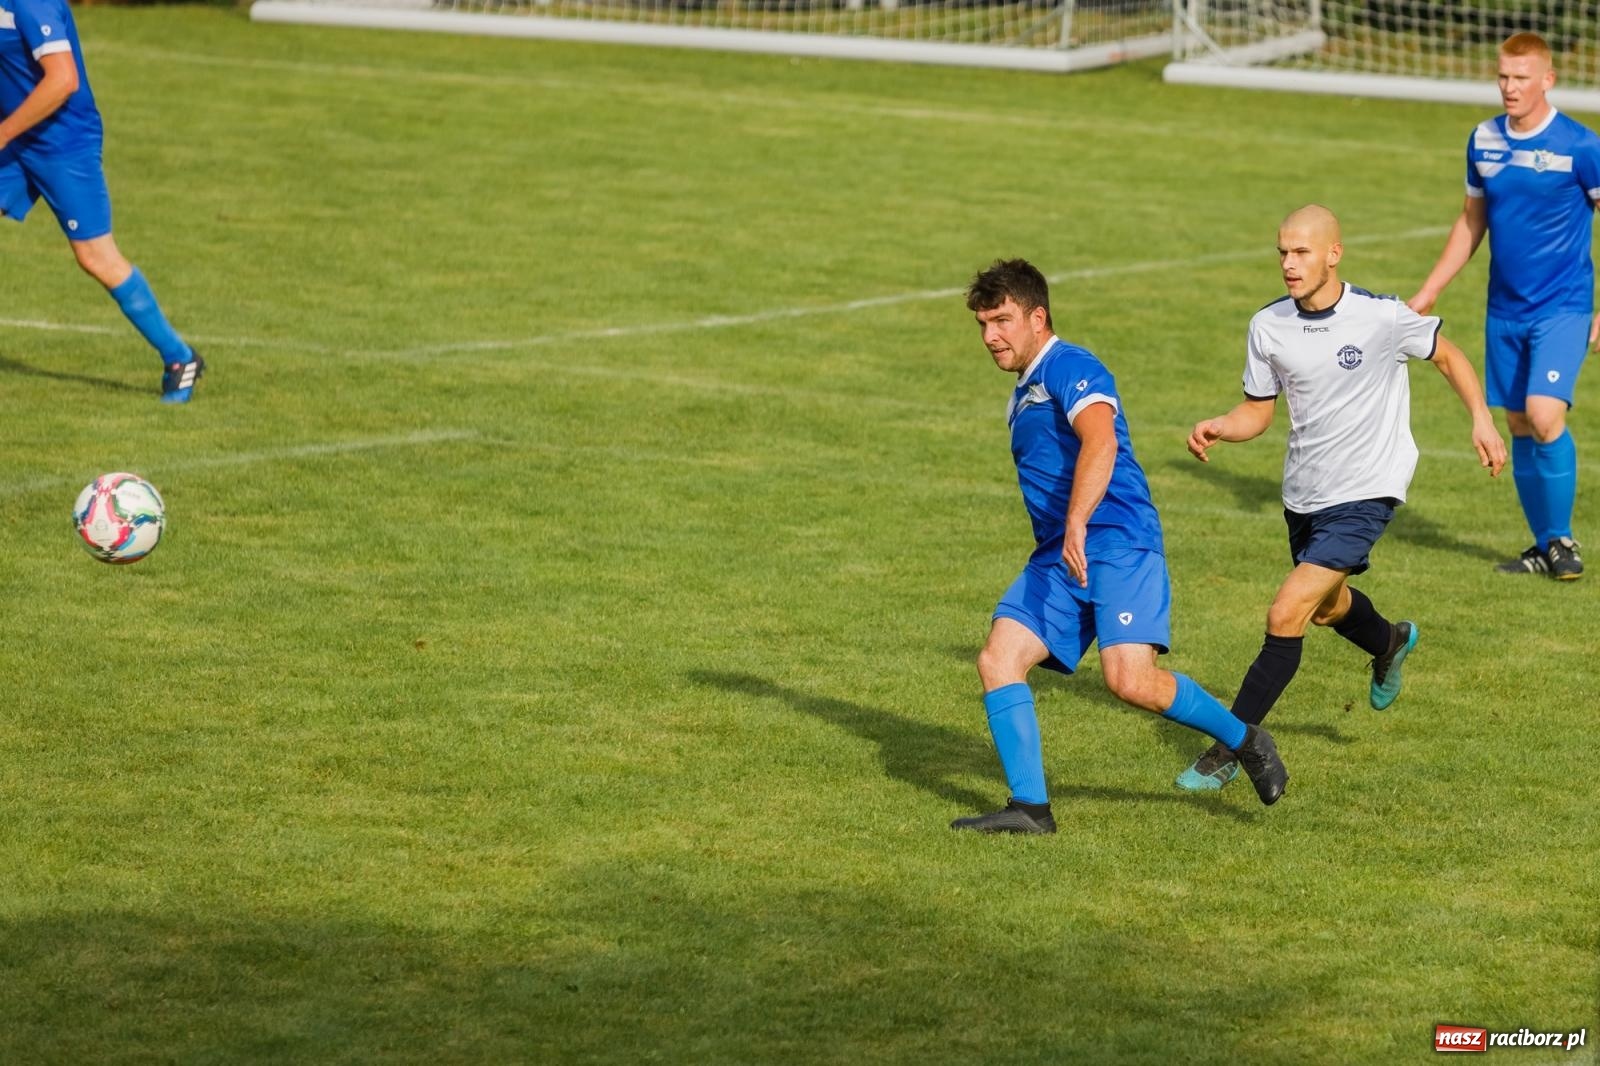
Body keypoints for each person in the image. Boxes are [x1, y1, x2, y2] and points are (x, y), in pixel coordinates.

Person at [951, 258, 1288, 836]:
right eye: (983, 325)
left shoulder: (1070, 366)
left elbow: (1101, 440)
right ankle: (1030, 809)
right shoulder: (1023, 390)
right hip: (1062, 553)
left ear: (1038, 317)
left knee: (1130, 680)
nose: (991, 337)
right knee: (998, 660)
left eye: (1002, 321)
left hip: (1117, 542)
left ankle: (1245, 739)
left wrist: (1079, 520)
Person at [1175, 206, 1506, 793]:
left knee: (1286, 613)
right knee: (1327, 607)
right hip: (1305, 494)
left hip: (1368, 490)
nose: (1288, 264)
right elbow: (1258, 409)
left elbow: (1448, 356)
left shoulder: (1380, 317)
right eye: (1282, 252)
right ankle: (1390, 641)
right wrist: (1222, 426)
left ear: (1333, 254)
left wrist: (1481, 419)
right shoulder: (1268, 326)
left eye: (1301, 252)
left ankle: (1233, 745)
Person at [1408, 32, 1600, 580]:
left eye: (1521, 78)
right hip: (1504, 309)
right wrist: (1430, 289)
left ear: (1548, 80)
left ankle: (1562, 538)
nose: (1510, 88)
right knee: (1517, 422)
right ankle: (1544, 548)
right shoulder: (1484, 140)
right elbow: (1473, 220)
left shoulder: (1581, 146)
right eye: (1503, 77)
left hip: (1563, 305)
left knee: (1543, 414)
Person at [0, 0, 203, 402]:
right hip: (19, 138)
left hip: (63, 145)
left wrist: (3, 133)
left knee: (96, 257)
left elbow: (63, 80)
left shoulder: (30, 2)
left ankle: (180, 358)